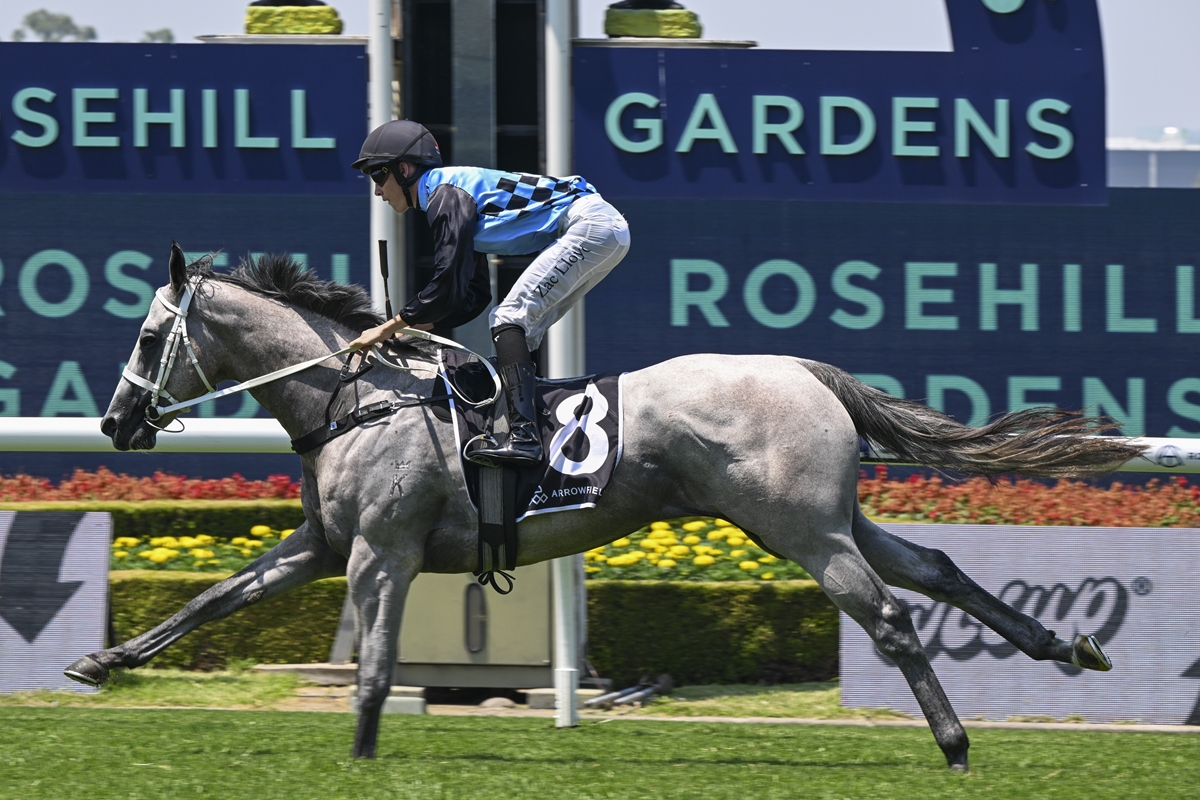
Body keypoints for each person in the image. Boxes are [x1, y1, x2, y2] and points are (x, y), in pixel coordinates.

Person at [348, 120, 631, 467]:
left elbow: (446, 281)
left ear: (403, 170)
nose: (378, 191)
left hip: (590, 224)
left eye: (378, 176)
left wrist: (387, 327)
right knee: (523, 328)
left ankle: (525, 438)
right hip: (605, 230)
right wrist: (423, 325)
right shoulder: (450, 195)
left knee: (509, 317)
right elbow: (474, 294)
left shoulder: (444, 194)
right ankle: (527, 426)